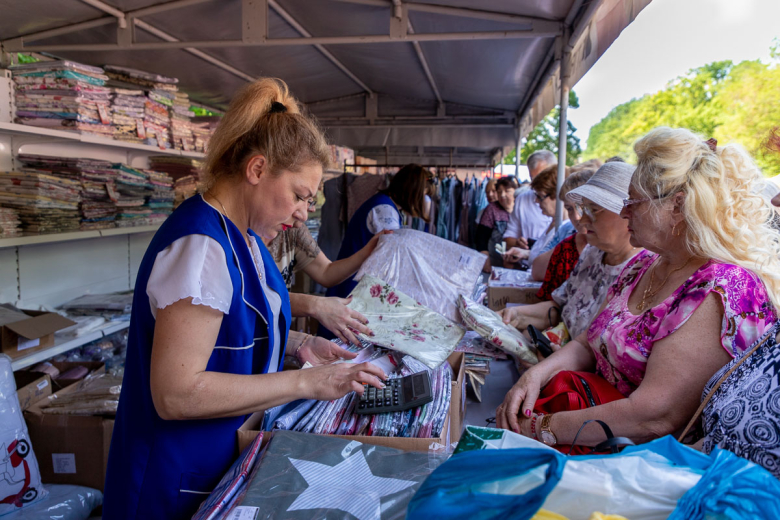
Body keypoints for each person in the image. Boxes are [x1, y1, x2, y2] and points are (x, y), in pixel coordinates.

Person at [103, 78, 387, 520]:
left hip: (210, 466)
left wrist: (298, 345)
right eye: (298, 195)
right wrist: (307, 383)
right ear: (256, 170)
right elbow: (176, 393)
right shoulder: (201, 247)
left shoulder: (246, 240)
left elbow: (231, 330)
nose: (301, 213)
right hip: (170, 482)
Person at [496, 128, 780, 453]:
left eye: (634, 201)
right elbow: (588, 343)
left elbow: (652, 417)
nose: (624, 211)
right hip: (595, 441)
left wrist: (541, 427)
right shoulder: (645, 263)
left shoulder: (721, 287)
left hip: (642, 463)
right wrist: (535, 376)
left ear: (677, 206)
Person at [499, 162, 640, 350]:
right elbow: (560, 306)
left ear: (628, 214)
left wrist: (563, 359)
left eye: (594, 209)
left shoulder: (642, 270)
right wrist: (517, 315)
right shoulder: (593, 252)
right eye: (583, 208)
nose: (583, 219)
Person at [266, 215, 387, 345]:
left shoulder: (293, 230)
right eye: (299, 200)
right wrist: (316, 305)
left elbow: (325, 271)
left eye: (311, 204)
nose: (306, 214)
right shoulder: (249, 240)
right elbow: (256, 298)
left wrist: (368, 251)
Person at [326, 164, 430, 303]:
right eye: (421, 195)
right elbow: (393, 257)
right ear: (412, 192)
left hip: (354, 283)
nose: (422, 200)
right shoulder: (384, 211)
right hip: (353, 287)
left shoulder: (384, 204)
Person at [533, 169, 594, 300]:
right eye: (570, 209)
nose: (577, 217)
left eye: (583, 207)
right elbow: (537, 270)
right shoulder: (567, 240)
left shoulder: (610, 248)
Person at [503, 164, 574, 267]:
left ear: (557, 195)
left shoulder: (567, 229)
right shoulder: (554, 223)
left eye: (540, 196)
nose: (536, 201)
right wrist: (525, 254)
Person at [504, 150, 555, 251]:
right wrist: (517, 243)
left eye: (542, 177)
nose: (536, 183)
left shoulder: (567, 201)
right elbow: (508, 237)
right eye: (533, 179)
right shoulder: (522, 200)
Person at [475, 176, 516, 271]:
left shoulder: (521, 208)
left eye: (507, 191)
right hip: (495, 265)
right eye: (499, 192)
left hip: (518, 264)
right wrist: (486, 264)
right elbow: (481, 239)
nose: (502, 195)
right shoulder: (492, 209)